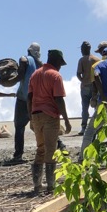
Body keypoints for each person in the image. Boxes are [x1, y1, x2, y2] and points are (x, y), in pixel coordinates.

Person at [28, 50, 71, 194]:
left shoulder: (35, 74)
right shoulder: (55, 76)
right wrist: (66, 120)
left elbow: (29, 97)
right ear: (57, 62)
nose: (60, 67)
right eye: (60, 64)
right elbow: (59, 99)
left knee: (40, 149)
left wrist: (31, 118)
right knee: (51, 151)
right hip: (50, 116)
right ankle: (51, 187)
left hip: (36, 115)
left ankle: (37, 186)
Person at [10, 42, 42, 163]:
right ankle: (59, 145)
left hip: (23, 99)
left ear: (29, 51)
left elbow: (20, 75)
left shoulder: (24, 59)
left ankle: (18, 155)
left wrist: (7, 82)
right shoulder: (40, 64)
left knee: (19, 127)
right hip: (35, 98)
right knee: (40, 125)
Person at [76, 41, 100, 134]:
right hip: (96, 86)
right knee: (96, 107)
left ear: (83, 49)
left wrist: (83, 81)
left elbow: (78, 74)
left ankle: (84, 127)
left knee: (85, 108)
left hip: (85, 86)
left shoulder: (82, 60)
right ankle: (97, 127)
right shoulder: (97, 59)